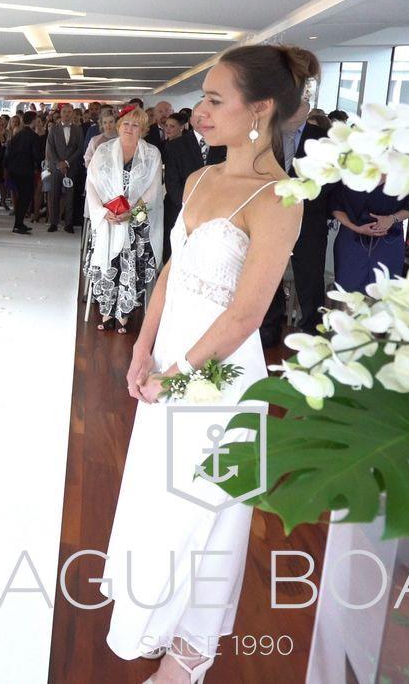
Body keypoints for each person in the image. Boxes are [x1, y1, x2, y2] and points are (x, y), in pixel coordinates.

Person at [103, 44, 309, 683]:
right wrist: (143, 346)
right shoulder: (198, 178)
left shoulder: (280, 197)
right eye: (204, 98)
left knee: (207, 510)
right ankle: (154, 618)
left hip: (218, 376)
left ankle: (190, 653)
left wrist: (178, 372)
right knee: (159, 498)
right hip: (169, 359)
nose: (201, 112)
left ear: (261, 109)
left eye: (217, 100)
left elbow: (247, 314)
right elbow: (173, 268)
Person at [85, 109, 164, 333]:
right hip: (108, 219)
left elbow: (153, 190)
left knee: (131, 264)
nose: (130, 128)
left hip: (136, 220)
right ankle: (107, 310)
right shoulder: (103, 150)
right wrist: (102, 211)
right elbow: (92, 183)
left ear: (143, 130)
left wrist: (132, 212)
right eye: (126, 124)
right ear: (119, 126)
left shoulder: (152, 153)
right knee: (110, 263)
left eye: (135, 125)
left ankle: (124, 311)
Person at [265, 100, 332, 342]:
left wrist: (302, 196)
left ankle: (312, 330)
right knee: (268, 273)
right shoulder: (267, 134)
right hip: (270, 217)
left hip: (309, 218)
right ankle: (269, 327)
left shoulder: (323, 139)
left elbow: (330, 179)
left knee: (310, 277)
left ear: (306, 110)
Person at [161, 110, 227, 265]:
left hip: (214, 212)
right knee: (175, 258)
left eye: (206, 116)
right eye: (198, 116)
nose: (202, 120)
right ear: (190, 121)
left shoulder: (224, 144)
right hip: (179, 209)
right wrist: (190, 207)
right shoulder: (175, 146)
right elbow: (172, 183)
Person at [331, 181, 409, 292]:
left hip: (389, 240)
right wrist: (355, 227)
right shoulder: (349, 174)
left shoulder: (404, 175)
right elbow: (335, 206)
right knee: (347, 289)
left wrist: (392, 219)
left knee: (385, 290)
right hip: (351, 238)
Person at [44, 104, 84, 233]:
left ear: (73, 114)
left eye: (69, 112)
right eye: (65, 112)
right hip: (56, 168)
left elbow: (80, 149)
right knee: (54, 195)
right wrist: (58, 163)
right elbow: (50, 148)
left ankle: (69, 223)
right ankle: (53, 223)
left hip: (71, 167)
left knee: (70, 196)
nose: (67, 114)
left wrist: (67, 162)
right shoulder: (53, 129)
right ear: (61, 113)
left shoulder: (78, 130)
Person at [6, 111, 39, 234]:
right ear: (33, 121)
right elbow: (36, 155)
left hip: (15, 170)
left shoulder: (17, 135)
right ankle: (18, 224)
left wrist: (8, 168)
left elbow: (9, 153)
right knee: (26, 197)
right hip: (27, 171)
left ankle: (18, 223)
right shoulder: (34, 136)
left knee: (21, 197)